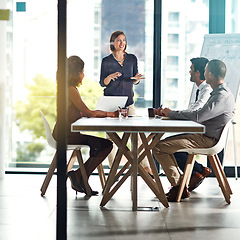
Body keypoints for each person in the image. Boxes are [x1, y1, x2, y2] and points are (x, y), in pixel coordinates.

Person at [153, 59, 235, 202]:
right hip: (205, 136)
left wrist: (171, 113)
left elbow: (198, 116)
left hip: (207, 139)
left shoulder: (220, 96)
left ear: (210, 75)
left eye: (205, 71)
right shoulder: (220, 93)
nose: (202, 73)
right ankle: (180, 186)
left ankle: (179, 186)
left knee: (159, 147)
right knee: (162, 144)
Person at [52, 55, 119, 196]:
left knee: (101, 145)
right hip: (65, 135)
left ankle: (80, 176)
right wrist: (110, 114)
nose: (84, 74)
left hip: (68, 133)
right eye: (82, 71)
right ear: (76, 73)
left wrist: (104, 114)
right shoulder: (70, 90)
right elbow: (88, 112)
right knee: (106, 145)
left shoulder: (68, 88)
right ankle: (79, 176)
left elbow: (83, 112)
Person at [155, 57, 213, 191]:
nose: (189, 72)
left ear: (198, 73)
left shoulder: (206, 89)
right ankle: (195, 172)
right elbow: (191, 111)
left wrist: (171, 113)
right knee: (168, 144)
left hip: (202, 133)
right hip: (198, 130)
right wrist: (171, 113)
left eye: (191, 69)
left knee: (163, 146)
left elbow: (195, 111)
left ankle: (181, 184)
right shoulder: (199, 89)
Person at [99, 30, 151, 175]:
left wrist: (137, 79)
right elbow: (102, 83)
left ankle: (144, 166)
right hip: (110, 102)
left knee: (137, 134)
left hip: (128, 102)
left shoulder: (132, 59)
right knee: (111, 137)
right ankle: (113, 169)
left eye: (124, 40)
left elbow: (134, 79)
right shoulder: (106, 61)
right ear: (112, 43)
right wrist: (109, 77)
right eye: (118, 40)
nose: (122, 43)